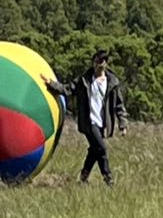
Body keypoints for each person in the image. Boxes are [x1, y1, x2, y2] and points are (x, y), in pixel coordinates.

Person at [42, 50, 128, 186]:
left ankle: (83, 177)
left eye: (100, 62)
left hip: (103, 123)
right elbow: (68, 89)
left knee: (94, 150)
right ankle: (108, 178)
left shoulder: (112, 82)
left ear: (106, 63)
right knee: (101, 148)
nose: (97, 65)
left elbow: (119, 105)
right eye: (95, 61)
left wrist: (123, 124)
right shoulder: (84, 80)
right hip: (89, 122)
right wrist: (51, 84)